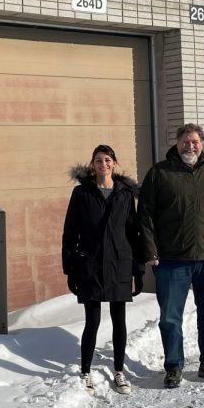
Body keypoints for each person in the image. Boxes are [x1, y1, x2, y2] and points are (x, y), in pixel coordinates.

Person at [137, 123, 204, 388]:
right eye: (185, 142)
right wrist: (150, 250)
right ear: (177, 144)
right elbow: (145, 215)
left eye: (195, 142)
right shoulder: (159, 173)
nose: (190, 146)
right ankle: (173, 366)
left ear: (202, 144)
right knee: (170, 317)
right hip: (171, 259)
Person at [62, 144, 146, 395]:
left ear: (114, 163)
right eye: (98, 160)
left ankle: (119, 371)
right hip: (91, 265)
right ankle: (85, 371)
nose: (103, 164)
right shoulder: (81, 194)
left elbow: (133, 232)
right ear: (92, 165)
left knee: (119, 320)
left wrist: (138, 269)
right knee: (93, 320)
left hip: (119, 264)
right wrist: (70, 268)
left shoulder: (124, 194)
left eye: (107, 159)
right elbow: (70, 232)